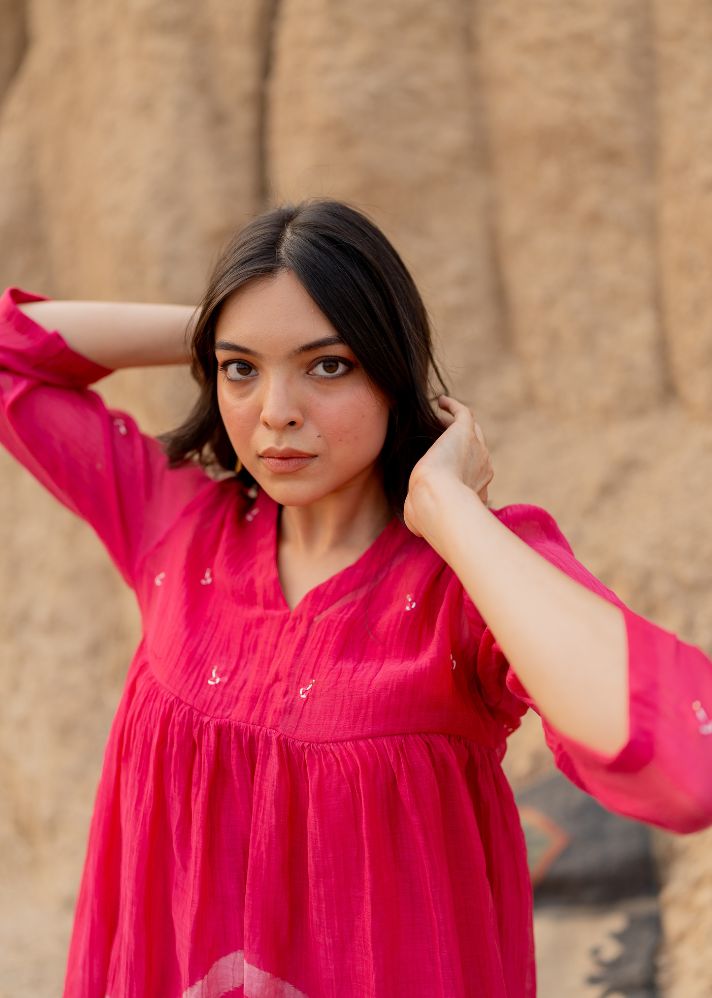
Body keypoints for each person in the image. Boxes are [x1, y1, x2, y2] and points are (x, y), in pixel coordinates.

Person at [1, 199, 710, 998]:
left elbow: (687, 767)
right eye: (242, 370)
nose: (276, 412)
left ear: (392, 368)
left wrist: (451, 515)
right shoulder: (174, 526)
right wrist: (221, 324)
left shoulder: (468, 583)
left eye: (327, 364)